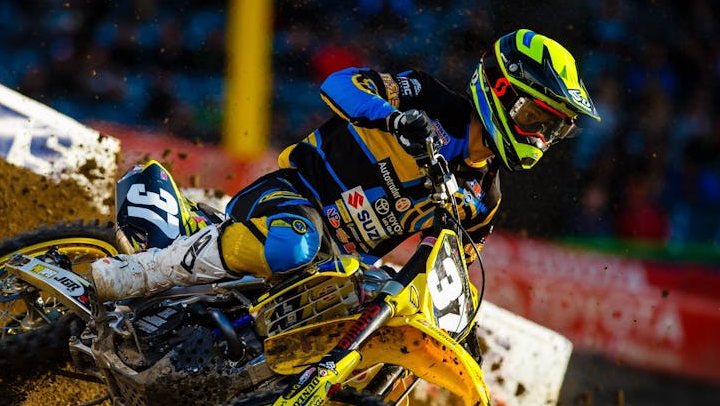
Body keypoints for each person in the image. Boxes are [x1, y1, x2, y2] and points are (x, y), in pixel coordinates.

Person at [86, 29, 600, 338]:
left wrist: (456, 328)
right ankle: (141, 272)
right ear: (501, 89)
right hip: (291, 198)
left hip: (336, 266)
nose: (540, 135)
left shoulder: (482, 201)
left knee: (366, 332)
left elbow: (441, 271)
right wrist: (394, 118)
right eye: (536, 116)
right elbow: (339, 84)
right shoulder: (425, 97)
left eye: (552, 128)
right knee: (295, 242)